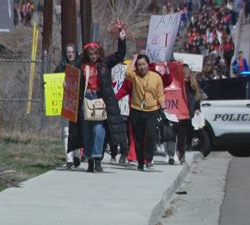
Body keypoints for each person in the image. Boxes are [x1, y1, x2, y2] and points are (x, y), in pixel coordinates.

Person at [67, 26, 127, 173]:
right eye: (90, 54)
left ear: (99, 54)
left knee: (99, 130)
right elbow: (69, 74)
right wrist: (66, 82)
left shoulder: (105, 64)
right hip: (85, 98)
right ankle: (90, 161)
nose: (93, 56)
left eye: (95, 53)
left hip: (100, 98)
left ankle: (97, 158)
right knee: (86, 131)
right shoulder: (80, 65)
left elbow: (120, 55)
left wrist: (122, 39)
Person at [125, 54, 167, 171]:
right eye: (139, 65)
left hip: (152, 111)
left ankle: (149, 160)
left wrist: (163, 107)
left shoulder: (156, 77)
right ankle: (140, 162)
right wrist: (133, 59)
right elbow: (127, 72)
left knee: (151, 135)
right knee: (138, 138)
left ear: (148, 64)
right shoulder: (134, 76)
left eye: (144, 64)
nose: (142, 67)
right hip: (136, 110)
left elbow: (160, 94)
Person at [55, 43, 82, 169]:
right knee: (66, 131)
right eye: (68, 52)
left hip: (77, 103)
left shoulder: (80, 66)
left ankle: (76, 154)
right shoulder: (61, 67)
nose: (70, 54)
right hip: (65, 103)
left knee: (76, 130)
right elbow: (53, 82)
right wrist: (62, 82)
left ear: (76, 52)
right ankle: (69, 159)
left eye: (72, 52)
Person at [174, 64, 202, 164]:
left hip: (187, 111)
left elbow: (197, 96)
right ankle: (178, 152)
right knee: (177, 132)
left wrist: (197, 108)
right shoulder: (177, 83)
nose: (185, 74)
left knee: (183, 133)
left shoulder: (192, 84)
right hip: (178, 111)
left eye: (187, 72)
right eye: (183, 72)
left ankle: (181, 153)